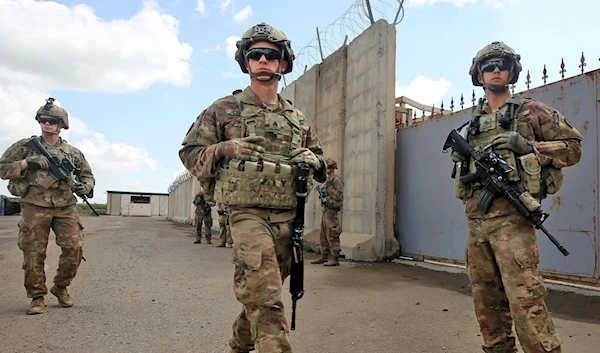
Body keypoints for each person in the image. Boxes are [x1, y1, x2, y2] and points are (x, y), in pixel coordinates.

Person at [179, 22, 326, 353]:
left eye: (270, 55)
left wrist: (313, 161)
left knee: (260, 294)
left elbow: (322, 163)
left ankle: (238, 344)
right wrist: (224, 149)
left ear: (283, 63)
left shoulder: (297, 119)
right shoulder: (223, 109)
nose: (263, 60)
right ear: (246, 62)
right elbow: (189, 153)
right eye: (255, 54)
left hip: (289, 219)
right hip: (246, 216)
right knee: (269, 298)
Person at [450, 42, 582, 353]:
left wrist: (529, 147)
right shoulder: (470, 126)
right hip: (476, 222)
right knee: (487, 304)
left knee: (526, 301)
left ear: (512, 71)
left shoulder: (532, 111)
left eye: (502, 64)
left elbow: (573, 147)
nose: (496, 69)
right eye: (488, 66)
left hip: (513, 222)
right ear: (479, 75)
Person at [0, 97, 95, 315]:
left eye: (52, 120)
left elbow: (87, 176)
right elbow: (2, 169)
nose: (47, 124)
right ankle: (36, 297)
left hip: (66, 207)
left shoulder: (72, 153)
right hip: (34, 206)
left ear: (62, 124)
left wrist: (85, 187)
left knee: (74, 249)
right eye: (43, 120)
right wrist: (26, 163)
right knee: (34, 253)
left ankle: (60, 287)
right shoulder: (25, 148)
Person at [311, 158, 344, 266]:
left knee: (332, 234)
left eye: (328, 167)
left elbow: (339, 197)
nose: (326, 169)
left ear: (333, 168)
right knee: (323, 235)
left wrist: (329, 190)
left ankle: (334, 258)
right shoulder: (327, 180)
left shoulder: (336, 180)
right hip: (326, 211)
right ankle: (324, 255)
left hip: (332, 212)